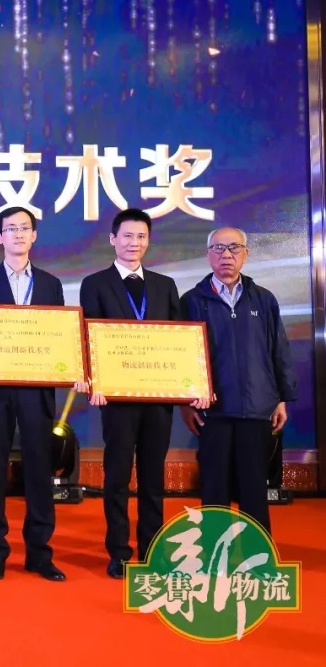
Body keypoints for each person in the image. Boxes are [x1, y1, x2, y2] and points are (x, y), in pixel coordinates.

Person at [79, 208, 210, 578]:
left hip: (157, 399)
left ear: (148, 241)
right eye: (127, 236)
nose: (133, 243)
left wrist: (191, 387)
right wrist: (96, 382)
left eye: (140, 237)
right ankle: (119, 552)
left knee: (153, 478)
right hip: (116, 399)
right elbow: (88, 336)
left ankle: (153, 549)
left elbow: (180, 341)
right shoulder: (95, 283)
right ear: (113, 239)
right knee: (117, 477)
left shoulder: (164, 285)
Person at [0, 206, 88, 582]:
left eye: (25, 228)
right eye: (10, 228)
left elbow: (60, 335)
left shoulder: (50, 284)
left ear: (34, 236)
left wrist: (73, 368)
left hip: (37, 390)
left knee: (39, 470)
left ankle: (39, 554)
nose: (18, 234)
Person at [178, 227, 296, 536]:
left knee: (254, 488)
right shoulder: (191, 301)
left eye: (234, 248)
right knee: (214, 488)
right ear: (208, 255)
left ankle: (257, 553)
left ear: (246, 253)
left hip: (257, 407)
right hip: (212, 411)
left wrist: (281, 398)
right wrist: (184, 403)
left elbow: (278, 349)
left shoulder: (264, 299)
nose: (226, 255)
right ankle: (214, 552)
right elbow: (180, 356)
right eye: (218, 248)